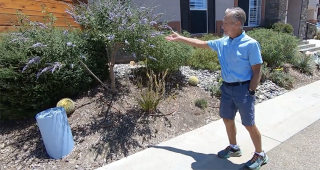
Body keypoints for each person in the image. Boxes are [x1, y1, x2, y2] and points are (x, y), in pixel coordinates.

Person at [165, 7, 268, 170]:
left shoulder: (251, 44)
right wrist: (180, 38)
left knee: (249, 124)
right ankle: (234, 147)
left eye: (226, 23)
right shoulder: (223, 42)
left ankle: (260, 154)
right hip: (227, 88)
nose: (222, 26)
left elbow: (257, 70)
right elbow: (200, 43)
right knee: (227, 119)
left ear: (237, 24)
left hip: (244, 89)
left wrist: (251, 91)